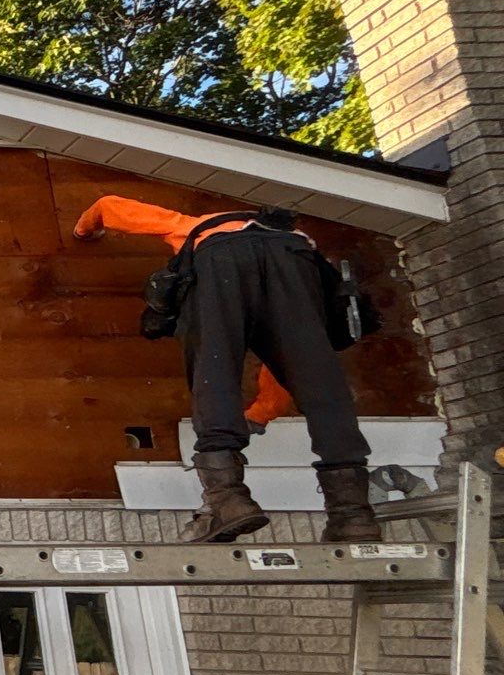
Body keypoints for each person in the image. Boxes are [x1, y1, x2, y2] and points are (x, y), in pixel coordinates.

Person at [75, 195, 381, 542]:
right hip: (294, 260)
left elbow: (107, 205)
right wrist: (260, 415)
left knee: (214, 371)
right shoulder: (292, 243)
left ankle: (228, 500)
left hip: (219, 258)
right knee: (319, 381)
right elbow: (289, 373)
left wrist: (85, 231)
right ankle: (353, 516)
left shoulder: (191, 225)